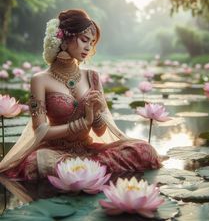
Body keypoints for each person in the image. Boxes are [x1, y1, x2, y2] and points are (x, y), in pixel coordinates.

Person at [0, 9, 161, 180]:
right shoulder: (40, 80)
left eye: (91, 43)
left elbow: (100, 132)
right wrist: (83, 123)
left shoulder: (92, 76)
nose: (88, 47)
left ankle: (84, 172)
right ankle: (89, 173)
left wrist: (97, 110)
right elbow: (40, 131)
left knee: (145, 150)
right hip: (55, 152)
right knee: (39, 163)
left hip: (89, 151)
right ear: (64, 39)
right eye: (84, 40)